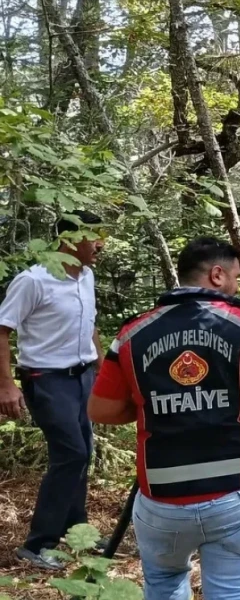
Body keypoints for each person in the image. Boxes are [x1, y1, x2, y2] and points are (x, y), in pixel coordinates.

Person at [88, 237, 240, 600]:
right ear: (216, 274)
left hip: (162, 503)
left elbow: (101, 409)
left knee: (164, 585)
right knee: (231, 593)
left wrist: (154, 402)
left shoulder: (132, 334)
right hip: (236, 496)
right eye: (235, 277)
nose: (236, 285)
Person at [0, 211, 107, 570]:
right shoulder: (34, 280)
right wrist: (6, 385)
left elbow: (88, 325)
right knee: (71, 454)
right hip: (46, 379)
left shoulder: (87, 276)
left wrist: (102, 367)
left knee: (83, 452)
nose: (99, 244)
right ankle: (38, 543)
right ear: (68, 240)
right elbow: (2, 330)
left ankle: (77, 532)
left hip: (82, 377)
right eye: (92, 236)